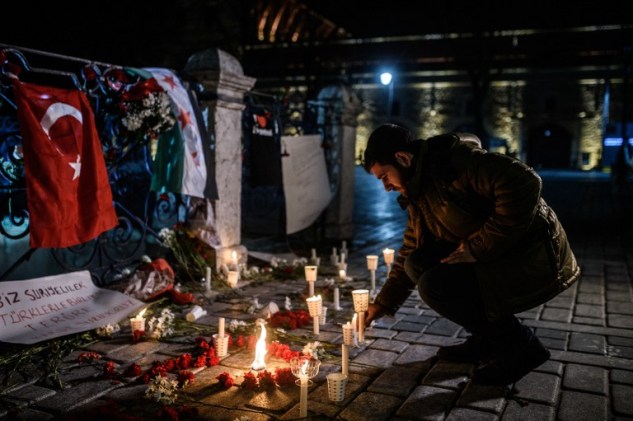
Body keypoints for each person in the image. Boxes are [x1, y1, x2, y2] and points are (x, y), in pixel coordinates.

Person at [362, 124, 580, 386]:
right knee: (417, 263)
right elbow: (411, 248)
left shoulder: (456, 164)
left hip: (531, 254)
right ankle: (486, 341)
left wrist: (477, 247)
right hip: (495, 254)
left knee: (435, 285)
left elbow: (525, 181)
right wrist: (383, 303)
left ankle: (522, 349)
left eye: (384, 176)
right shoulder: (418, 189)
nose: (386, 187)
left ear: (403, 158)